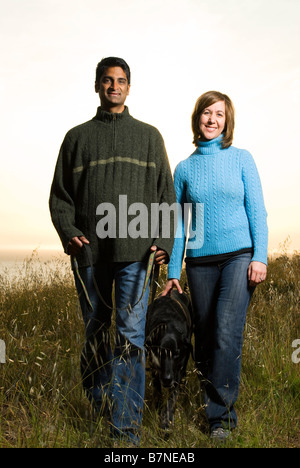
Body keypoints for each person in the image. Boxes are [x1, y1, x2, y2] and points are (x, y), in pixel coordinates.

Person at [49, 57, 176, 445]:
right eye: (107, 80)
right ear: (98, 86)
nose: (114, 86)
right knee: (95, 334)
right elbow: (60, 197)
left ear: (129, 87)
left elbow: (165, 197)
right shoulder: (76, 138)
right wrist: (69, 232)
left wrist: (163, 242)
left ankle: (125, 430)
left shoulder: (150, 137)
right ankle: (101, 403)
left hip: (136, 256)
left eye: (121, 81)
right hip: (91, 255)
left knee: (130, 338)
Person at [163, 91, 268, 441]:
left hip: (239, 256)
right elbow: (178, 225)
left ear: (228, 120)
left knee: (226, 331)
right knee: (205, 336)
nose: (212, 120)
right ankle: (212, 395)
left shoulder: (242, 159)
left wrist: (260, 256)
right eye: (207, 113)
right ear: (197, 118)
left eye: (219, 114)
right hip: (199, 263)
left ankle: (220, 417)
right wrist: (173, 272)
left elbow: (257, 210)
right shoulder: (184, 168)